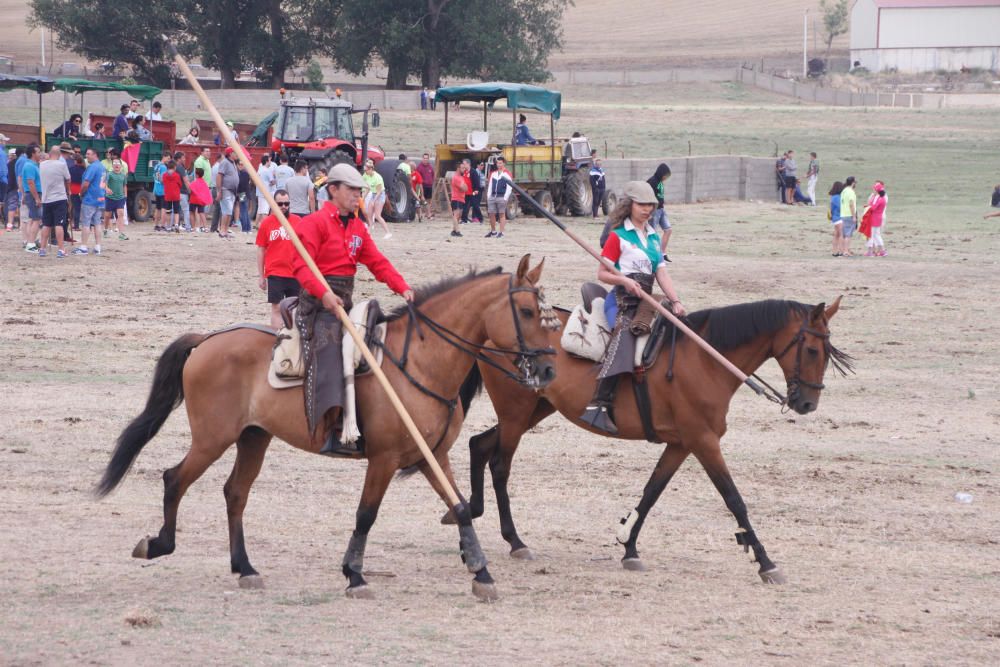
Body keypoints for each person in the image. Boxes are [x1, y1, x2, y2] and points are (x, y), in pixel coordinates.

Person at [291, 163, 414, 456]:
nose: (357, 195)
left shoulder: (358, 227)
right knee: (332, 349)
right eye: (352, 189)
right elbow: (301, 267)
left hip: (345, 302)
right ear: (333, 190)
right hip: (316, 305)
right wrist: (324, 295)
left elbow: (377, 263)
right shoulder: (313, 224)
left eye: (360, 190)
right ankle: (332, 429)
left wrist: (403, 287)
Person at [581, 181, 686, 435]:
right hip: (620, 300)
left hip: (646, 300)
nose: (648, 209)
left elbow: (661, 273)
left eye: (651, 205)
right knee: (626, 334)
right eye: (642, 204)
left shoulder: (652, 236)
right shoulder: (618, 236)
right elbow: (602, 274)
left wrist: (676, 301)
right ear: (629, 205)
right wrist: (624, 280)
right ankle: (598, 405)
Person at [255, 189, 301, 329]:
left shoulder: (298, 221)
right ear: (274, 204)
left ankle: (293, 338)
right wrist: (261, 276)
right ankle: (276, 337)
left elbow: (306, 247)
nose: (284, 207)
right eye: (280, 204)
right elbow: (261, 250)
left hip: (295, 273)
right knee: (276, 308)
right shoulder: (266, 223)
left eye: (286, 203)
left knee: (295, 309)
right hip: (275, 273)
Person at [37, 145, 71, 258]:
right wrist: (68, 190)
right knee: (59, 224)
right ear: (59, 154)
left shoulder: (41, 165)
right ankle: (61, 249)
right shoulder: (62, 165)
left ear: (50, 153)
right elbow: (68, 179)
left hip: (46, 199)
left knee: (46, 224)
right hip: (59, 198)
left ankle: (42, 249)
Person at [74, 147, 106, 255]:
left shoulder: (92, 167)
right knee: (97, 223)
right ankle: (97, 246)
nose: (86, 156)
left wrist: (81, 193)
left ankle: (83, 247)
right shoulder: (103, 167)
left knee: (86, 223)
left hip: (90, 198)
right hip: (100, 198)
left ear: (95, 154)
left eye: (88, 154)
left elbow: (86, 183)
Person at [646, 163, 673, 262]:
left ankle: (662, 252)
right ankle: (652, 254)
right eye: (666, 175)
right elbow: (646, 194)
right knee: (652, 233)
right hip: (654, 210)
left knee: (668, 230)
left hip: (661, 209)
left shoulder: (660, 182)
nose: (666, 178)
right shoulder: (652, 181)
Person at [20, 145, 43, 253]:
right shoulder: (30, 166)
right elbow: (30, 182)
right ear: (33, 154)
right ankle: (31, 244)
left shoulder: (34, 165)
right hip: (34, 194)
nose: (40, 154)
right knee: (36, 219)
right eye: (38, 152)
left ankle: (30, 241)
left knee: (33, 219)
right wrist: (37, 198)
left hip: (32, 194)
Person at [362, 159, 391, 238]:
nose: (365, 171)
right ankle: (368, 233)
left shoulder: (378, 178)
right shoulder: (365, 175)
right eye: (365, 170)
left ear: (371, 169)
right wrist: (363, 198)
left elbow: (379, 192)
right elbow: (367, 188)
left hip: (380, 195)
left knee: (377, 215)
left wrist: (373, 201)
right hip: (373, 194)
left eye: (366, 170)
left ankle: (388, 232)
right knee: (369, 214)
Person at [215, 147, 240, 238]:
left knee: (229, 212)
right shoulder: (225, 162)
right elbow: (219, 176)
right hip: (226, 190)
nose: (237, 154)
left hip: (232, 191)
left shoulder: (233, 163)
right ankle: (222, 230)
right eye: (235, 152)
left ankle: (225, 230)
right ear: (230, 154)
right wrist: (219, 191)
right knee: (227, 211)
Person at [485, 157, 512, 238]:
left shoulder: (507, 174)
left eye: (500, 163)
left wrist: (505, 197)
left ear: (504, 163)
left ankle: (501, 232)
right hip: (493, 196)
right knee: (491, 214)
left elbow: (509, 187)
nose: (498, 165)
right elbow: (490, 185)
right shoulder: (493, 174)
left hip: (501, 196)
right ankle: (493, 231)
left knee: (501, 214)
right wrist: (488, 196)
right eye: (497, 163)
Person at [103, 158, 129, 240]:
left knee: (120, 214)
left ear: (121, 166)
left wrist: (125, 196)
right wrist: (107, 189)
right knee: (107, 215)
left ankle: (121, 234)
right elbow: (104, 184)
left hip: (120, 198)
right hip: (110, 198)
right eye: (114, 163)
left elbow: (124, 185)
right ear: (112, 166)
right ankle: (105, 230)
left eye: (118, 163)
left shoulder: (123, 175)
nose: (116, 165)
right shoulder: (109, 174)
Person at [864, 181, 888, 256]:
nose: (873, 190)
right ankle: (882, 251)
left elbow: (873, 207)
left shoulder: (878, 198)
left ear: (877, 190)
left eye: (874, 189)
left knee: (871, 234)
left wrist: (868, 207)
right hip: (878, 218)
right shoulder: (882, 197)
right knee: (877, 235)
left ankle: (870, 251)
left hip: (874, 218)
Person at [255, 154, 276, 229]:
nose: (270, 162)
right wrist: (275, 180)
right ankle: (266, 226)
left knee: (261, 209)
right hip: (266, 192)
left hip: (259, 192)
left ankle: (258, 225)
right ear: (267, 161)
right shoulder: (268, 171)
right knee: (265, 211)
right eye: (270, 160)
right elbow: (272, 181)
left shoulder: (260, 169)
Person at [173, 151, 193, 231]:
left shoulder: (173, 167)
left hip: (175, 191)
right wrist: (190, 190)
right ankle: (188, 226)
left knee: (174, 210)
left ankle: (172, 225)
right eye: (183, 158)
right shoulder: (180, 168)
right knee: (186, 209)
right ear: (179, 159)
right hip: (182, 192)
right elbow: (186, 180)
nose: (185, 159)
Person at [161, 160, 183, 232]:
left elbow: (163, 182)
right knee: (176, 211)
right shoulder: (177, 175)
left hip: (168, 195)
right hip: (176, 195)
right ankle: (176, 224)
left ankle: (168, 226)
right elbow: (180, 184)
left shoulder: (164, 175)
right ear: (174, 167)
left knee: (168, 211)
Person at [188, 167, 212, 232]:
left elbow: (190, 190)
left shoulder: (194, 182)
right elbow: (206, 192)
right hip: (201, 200)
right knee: (202, 213)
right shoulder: (204, 183)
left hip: (193, 199)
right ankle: (206, 228)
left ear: (197, 175)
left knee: (192, 213)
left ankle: (193, 228)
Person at [449, 161, 468, 237]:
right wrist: (464, 187)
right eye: (462, 168)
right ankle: (457, 231)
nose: (464, 169)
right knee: (456, 215)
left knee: (458, 215)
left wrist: (464, 187)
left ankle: (454, 230)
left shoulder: (460, 177)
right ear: (458, 168)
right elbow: (464, 188)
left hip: (461, 198)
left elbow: (465, 188)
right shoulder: (456, 177)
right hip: (456, 198)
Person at [840, 176, 858, 256]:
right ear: (853, 183)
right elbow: (851, 204)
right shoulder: (851, 192)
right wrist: (854, 216)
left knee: (844, 235)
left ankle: (844, 250)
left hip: (843, 214)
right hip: (849, 215)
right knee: (848, 235)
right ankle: (846, 251)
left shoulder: (844, 191)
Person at [152, 150, 170, 231]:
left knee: (157, 208)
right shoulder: (164, 167)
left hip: (156, 188)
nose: (169, 160)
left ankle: (156, 225)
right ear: (164, 157)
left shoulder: (157, 166)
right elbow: (163, 179)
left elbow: (154, 176)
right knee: (163, 208)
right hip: (163, 190)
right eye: (168, 158)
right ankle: (163, 225)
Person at [68, 153, 86, 231]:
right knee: (79, 208)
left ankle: (72, 224)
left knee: (73, 208)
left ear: (75, 161)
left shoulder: (71, 168)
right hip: (81, 189)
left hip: (72, 189)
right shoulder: (84, 170)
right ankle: (76, 226)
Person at [828, 181, 844, 257]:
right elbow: (841, 208)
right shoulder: (837, 197)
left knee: (836, 235)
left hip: (835, 217)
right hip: (838, 217)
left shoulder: (833, 197)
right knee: (841, 234)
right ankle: (840, 251)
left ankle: (834, 251)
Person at [236, 160, 252, 237]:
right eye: (240, 164)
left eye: (242, 164)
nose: (240, 166)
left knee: (243, 211)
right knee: (245, 211)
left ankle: (245, 229)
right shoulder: (245, 173)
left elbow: (241, 185)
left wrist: (238, 193)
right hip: (245, 194)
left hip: (242, 194)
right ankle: (248, 229)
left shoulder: (243, 173)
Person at [416, 153, 435, 218]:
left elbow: (432, 175)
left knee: (428, 200)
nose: (425, 159)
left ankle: (428, 213)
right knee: (421, 200)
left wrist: (431, 181)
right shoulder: (419, 167)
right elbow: (417, 177)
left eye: (427, 158)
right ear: (422, 158)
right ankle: (420, 214)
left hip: (429, 186)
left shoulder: (430, 167)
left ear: (428, 159)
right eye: (424, 158)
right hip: (422, 186)